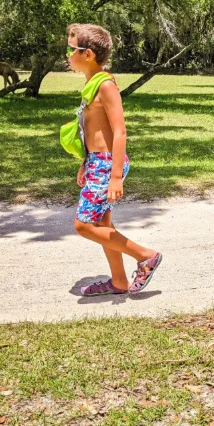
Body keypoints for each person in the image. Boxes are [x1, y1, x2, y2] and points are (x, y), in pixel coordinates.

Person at [66, 23, 162, 296]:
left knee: (83, 225)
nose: (67, 54)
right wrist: (85, 161)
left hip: (107, 164)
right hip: (97, 161)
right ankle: (119, 281)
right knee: (103, 224)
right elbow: (95, 131)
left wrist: (115, 175)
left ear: (88, 55)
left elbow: (119, 131)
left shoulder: (106, 85)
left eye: (71, 49)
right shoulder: (91, 83)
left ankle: (146, 256)